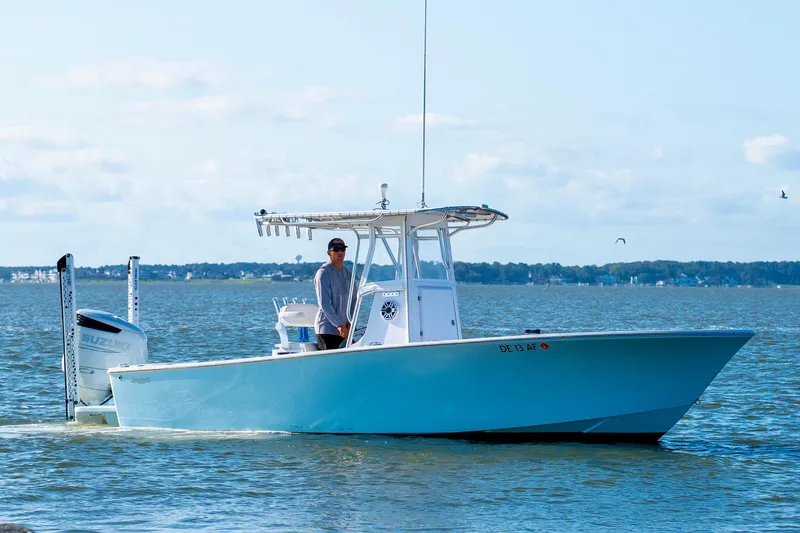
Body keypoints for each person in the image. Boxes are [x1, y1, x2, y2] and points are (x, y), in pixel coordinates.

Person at [314, 237, 355, 350]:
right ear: (329, 253)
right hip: (327, 329)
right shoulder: (323, 273)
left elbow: (353, 300)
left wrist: (350, 322)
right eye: (336, 249)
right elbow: (325, 303)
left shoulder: (348, 273)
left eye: (342, 249)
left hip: (345, 330)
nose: (340, 252)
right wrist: (339, 326)